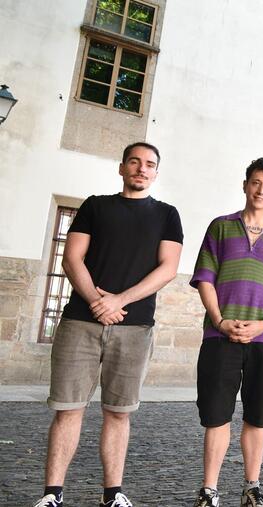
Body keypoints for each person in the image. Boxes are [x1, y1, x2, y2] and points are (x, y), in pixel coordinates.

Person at [33, 142, 184, 507]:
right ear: (122, 168)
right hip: (80, 323)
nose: (141, 168)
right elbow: (72, 259)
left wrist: (119, 301)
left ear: (156, 173)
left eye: (149, 164)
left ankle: (112, 495)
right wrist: (98, 303)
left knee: (118, 413)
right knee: (68, 409)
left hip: (134, 328)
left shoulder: (167, 214)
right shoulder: (95, 206)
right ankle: (52, 495)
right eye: (134, 161)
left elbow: (167, 268)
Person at [190, 157, 263, 507]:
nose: (261, 190)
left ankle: (251, 488)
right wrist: (220, 320)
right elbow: (205, 279)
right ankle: (209, 491)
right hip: (219, 336)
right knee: (216, 414)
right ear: (245, 185)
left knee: (257, 416)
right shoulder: (220, 227)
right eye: (256, 182)